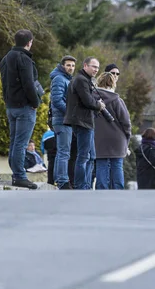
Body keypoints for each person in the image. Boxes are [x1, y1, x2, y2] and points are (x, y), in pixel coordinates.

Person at [0, 29, 42, 189]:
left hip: (11, 106)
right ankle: (19, 176)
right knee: (21, 143)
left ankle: (16, 174)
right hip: (25, 107)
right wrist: (35, 102)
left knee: (14, 141)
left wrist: (7, 101)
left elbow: (4, 84)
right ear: (29, 42)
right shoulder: (24, 59)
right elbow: (28, 84)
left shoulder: (6, 58)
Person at [63, 57, 106, 190]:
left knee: (91, 156)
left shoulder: (83, 80)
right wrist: (99, 105)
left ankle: (85, 185)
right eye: (93, 66)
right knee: (83, 156)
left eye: (98, 68)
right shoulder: (81, 80)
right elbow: (87, 100)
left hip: (85, 122)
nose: (96, 70)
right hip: (82, 122)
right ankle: (81, 186)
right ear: (85, 65)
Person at [94, 72, 131, 189]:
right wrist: (127, 137)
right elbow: (126, 122)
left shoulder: (92, 100)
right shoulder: (117, 100)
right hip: (117, 138)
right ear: (113, 83)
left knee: (101, 165)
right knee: (117, 165)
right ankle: (118, 191)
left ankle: (101, 191)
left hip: (98, 138)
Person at [50, 55, 77, 189]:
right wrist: (70, 113)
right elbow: (57, 100)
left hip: (65, 120)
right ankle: (62, 181)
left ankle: (59, 179)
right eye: (68, 65)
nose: (71, 68)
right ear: (62, 66)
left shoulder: (66, 79)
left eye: (72, 65)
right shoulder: (59, 79)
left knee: (62, 151)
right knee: (64, 152)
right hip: (62, 120)